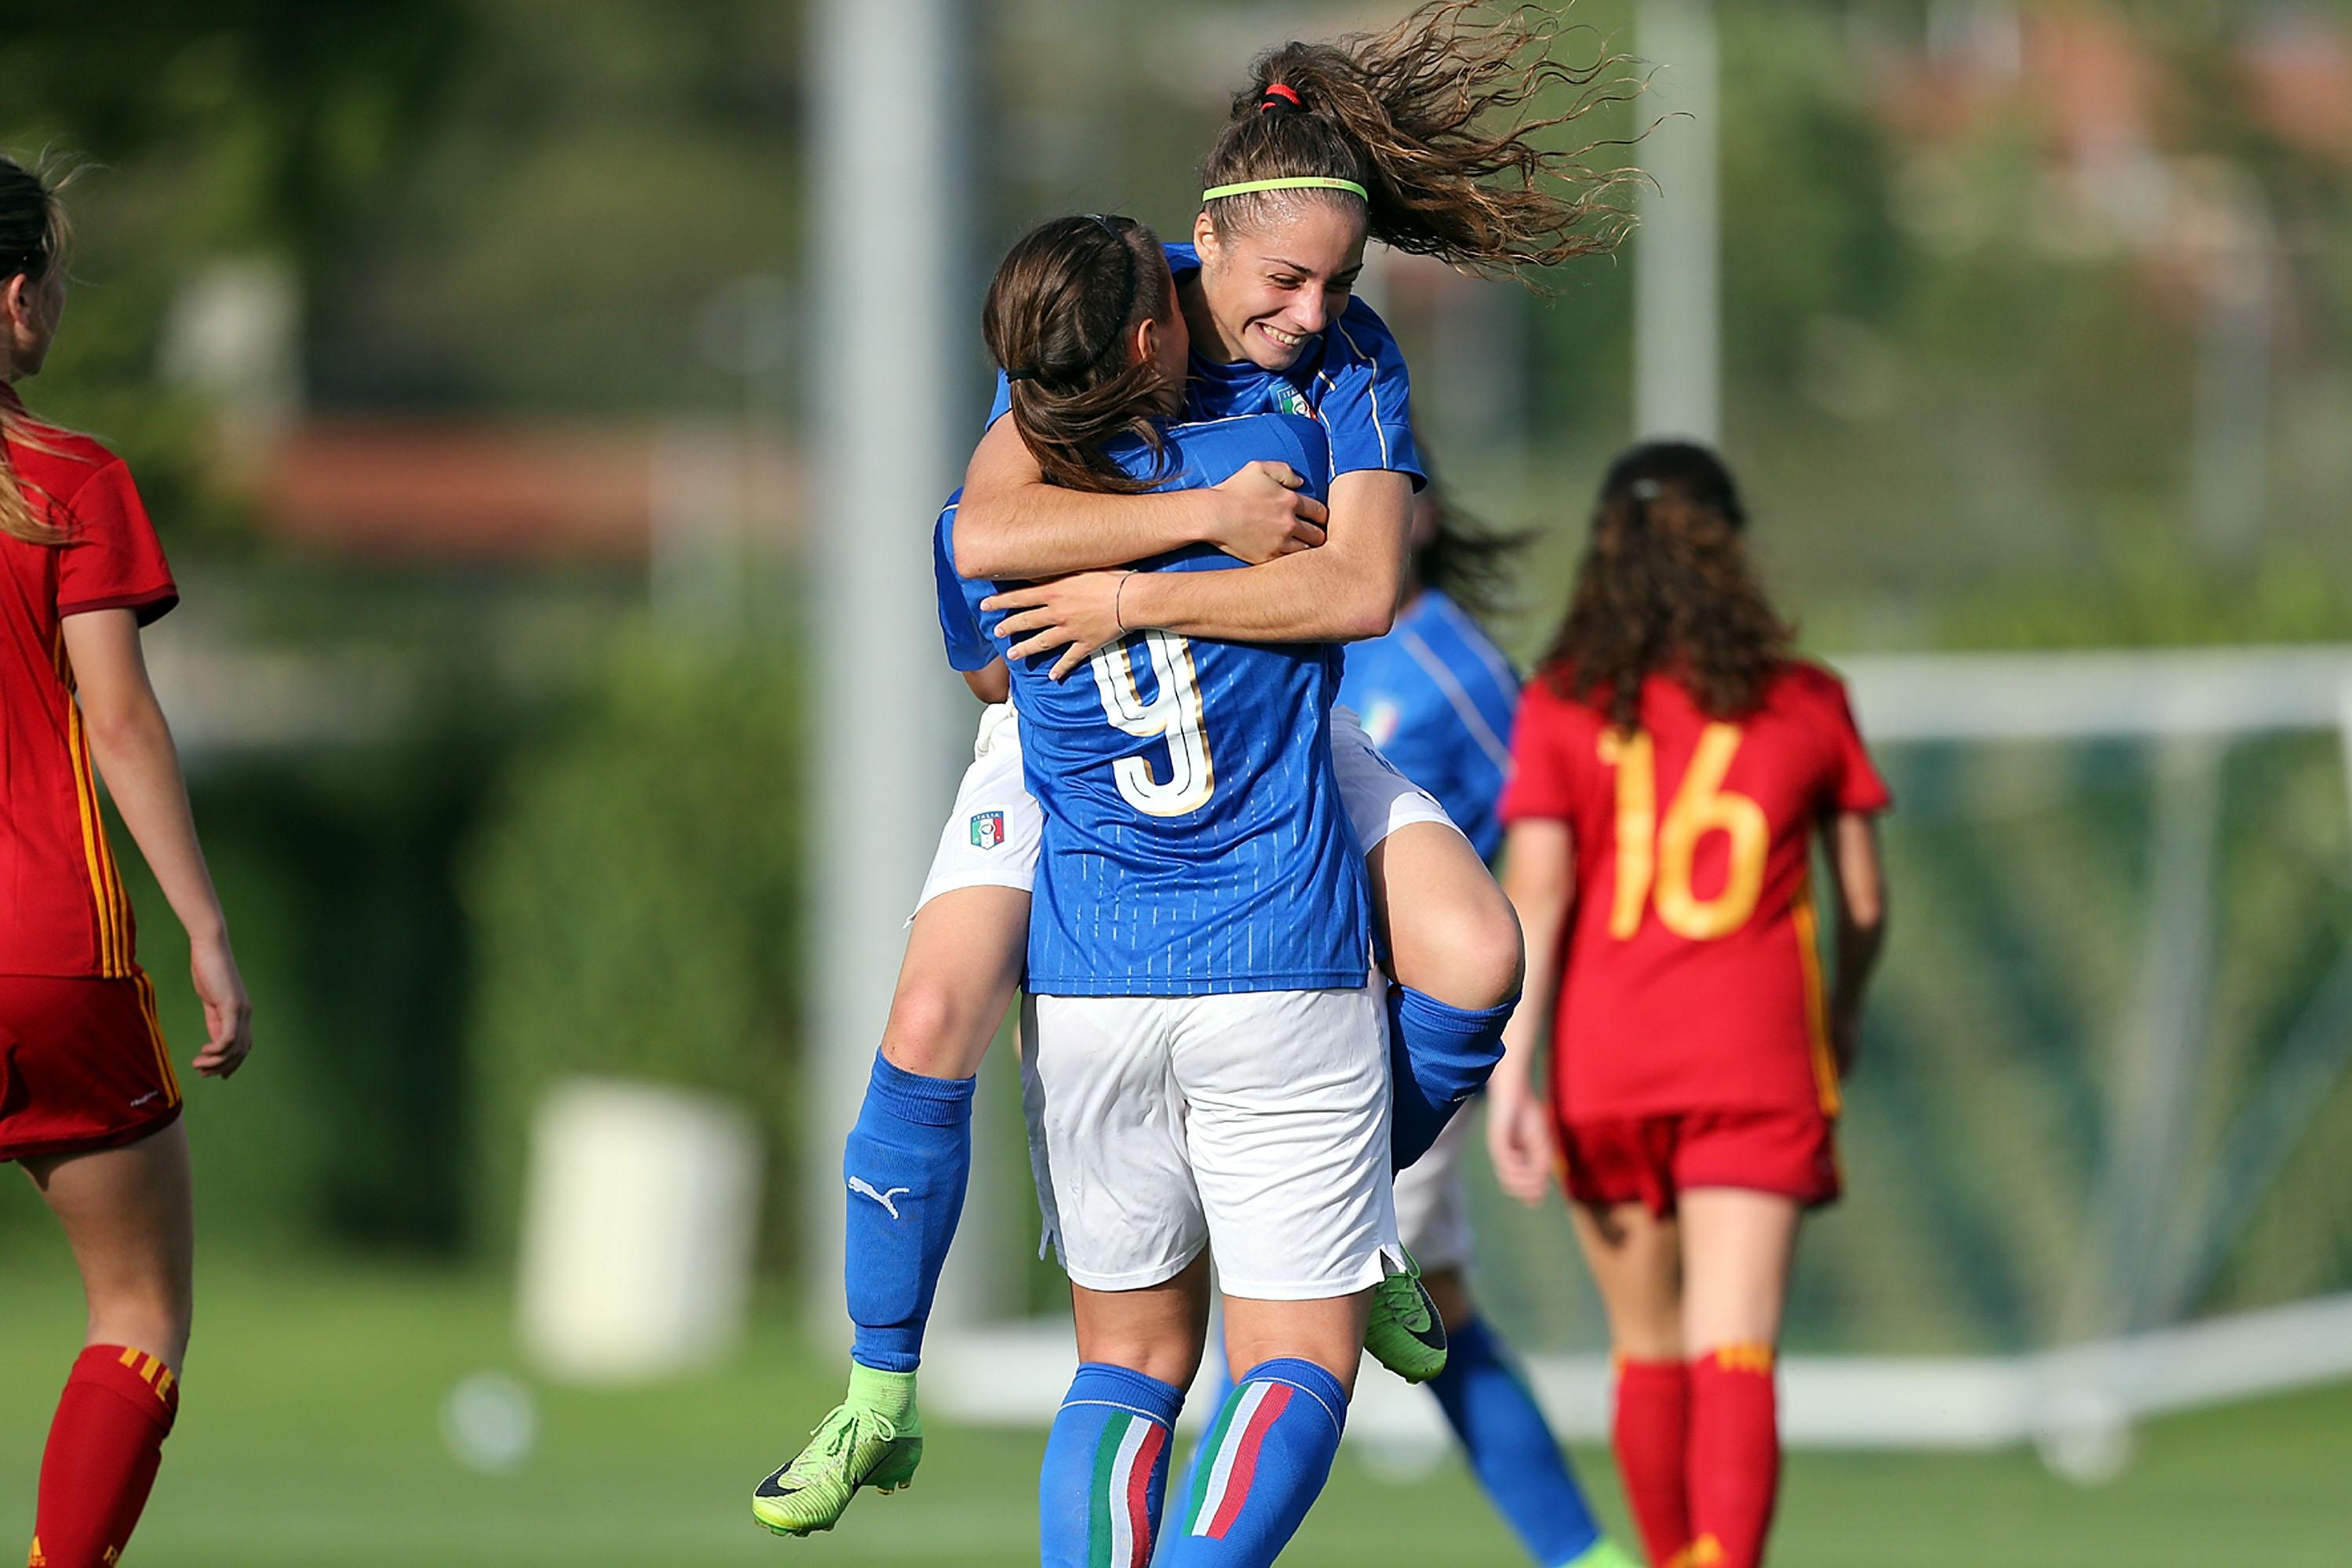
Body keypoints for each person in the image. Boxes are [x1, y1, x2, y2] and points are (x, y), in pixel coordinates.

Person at [755, 2, 1628, 1533]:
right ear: (1200, 252)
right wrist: (1180, 548)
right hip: (1057, 723)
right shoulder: (1102, 320)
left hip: (1263, 709)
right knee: (933, 1006)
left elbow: (1358, 592)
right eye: (1283, 279)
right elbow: (987, 542)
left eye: (1335, 283)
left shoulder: (1349, 360)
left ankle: (1349, 1227)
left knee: (1474, 950)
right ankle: (877, 1382)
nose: (1307, 311)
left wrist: (1133, 593)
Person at [1180, 465, 1635, 1568]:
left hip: (1389, 1040)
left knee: (1283, 1310)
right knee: (1401, 1306)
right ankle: (1584, 1554)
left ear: (1416, 510)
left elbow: (1537, 852)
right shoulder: (1279, 632)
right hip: (1265, 1016)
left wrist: (1510, 1045)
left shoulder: (1450, 663)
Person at [1485, 443, 1891, 1568]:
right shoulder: (1807, 700)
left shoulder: (1563, 705)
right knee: (1736, 1346)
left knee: (1646, 1345)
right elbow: (1860, 898)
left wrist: (1509, 1070)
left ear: (1603, 555)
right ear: (1733, 547)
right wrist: (1842, 1009)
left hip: (1607, 1063)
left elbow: (1539, 893)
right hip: (1754, 1059)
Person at [2, 155, 255, 1568]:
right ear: (19, 295)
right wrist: (205, 930)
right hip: (45, 948)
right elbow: (119, 718)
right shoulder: (71, 480)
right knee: (137, 1306)